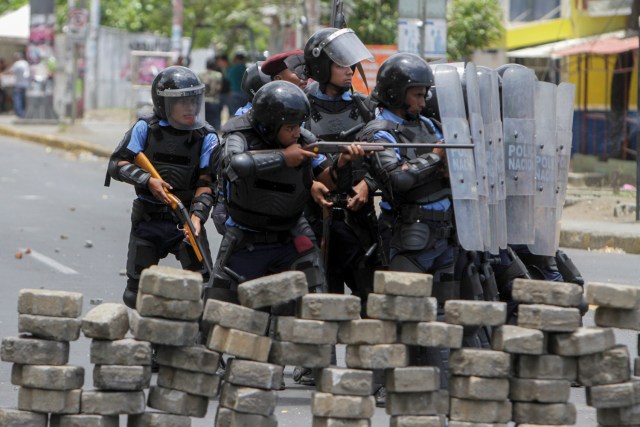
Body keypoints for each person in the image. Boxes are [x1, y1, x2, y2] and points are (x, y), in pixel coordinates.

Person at [207, 79, 363, 311]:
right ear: (270, 125)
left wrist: (344, 162)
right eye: (290, 127)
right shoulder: (239, 135)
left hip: (291, 233)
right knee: (218, 311)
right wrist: (283, 157)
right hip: (245, 236)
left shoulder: (304, 140)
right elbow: (235, 165)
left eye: (299, 125)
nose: (297, 132)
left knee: (315, 307)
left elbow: (329, 181)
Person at [357, 52, 458, 399]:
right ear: (397, 92)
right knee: (400, 312)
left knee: (440, 318)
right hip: (408, 234)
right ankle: (385, 383)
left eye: (424, 92)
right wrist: (436, 158)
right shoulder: (379, 131)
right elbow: (397, 180)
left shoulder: (428, 125)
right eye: (416, 93)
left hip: (444, 236)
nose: (423, 99)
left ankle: (439, 388)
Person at [104, 66, 218, 311]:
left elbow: (206, 183)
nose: (191, 108)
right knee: (135, 294)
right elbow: (117, 164)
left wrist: (197, 219)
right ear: (164, 103)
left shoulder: (206, 136)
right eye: (182, 102)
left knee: (205, 289)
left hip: (185, 219)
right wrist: (148, 181)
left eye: (193, 101)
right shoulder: (145, 128)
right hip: (148, 219)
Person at [301, 27, 379, 316]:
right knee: (320, 304)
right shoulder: (300, 106)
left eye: (350, 64)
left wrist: (368, 185)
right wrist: (309, 184)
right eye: (340, 64)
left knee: (370, 297)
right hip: (314, 217)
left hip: (357, 217)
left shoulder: (365, 108)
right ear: (322, 66)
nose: (349, 71)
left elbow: (384, 157)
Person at [198, 57, 224, 129]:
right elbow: (219, 88)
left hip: (202, 101)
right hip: (214, 101)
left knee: (203, 123)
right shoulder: (218, 75)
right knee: (214, 124)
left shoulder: (200, 74)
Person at [224, 52, 249, 119]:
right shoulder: (246, 68)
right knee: (244, 113)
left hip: (233, 93)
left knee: (234, 113)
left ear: (235, 59)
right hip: (244, 94)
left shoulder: (232, 69)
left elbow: (227, 79)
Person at [5, 52, 30, 118]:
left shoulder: (16, 64)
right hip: (25, 85)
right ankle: (24, 113)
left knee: (17, 99)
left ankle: (19, 113)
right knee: (23, 100)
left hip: (18, 85)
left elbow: (10, 71)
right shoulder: (25, 63)